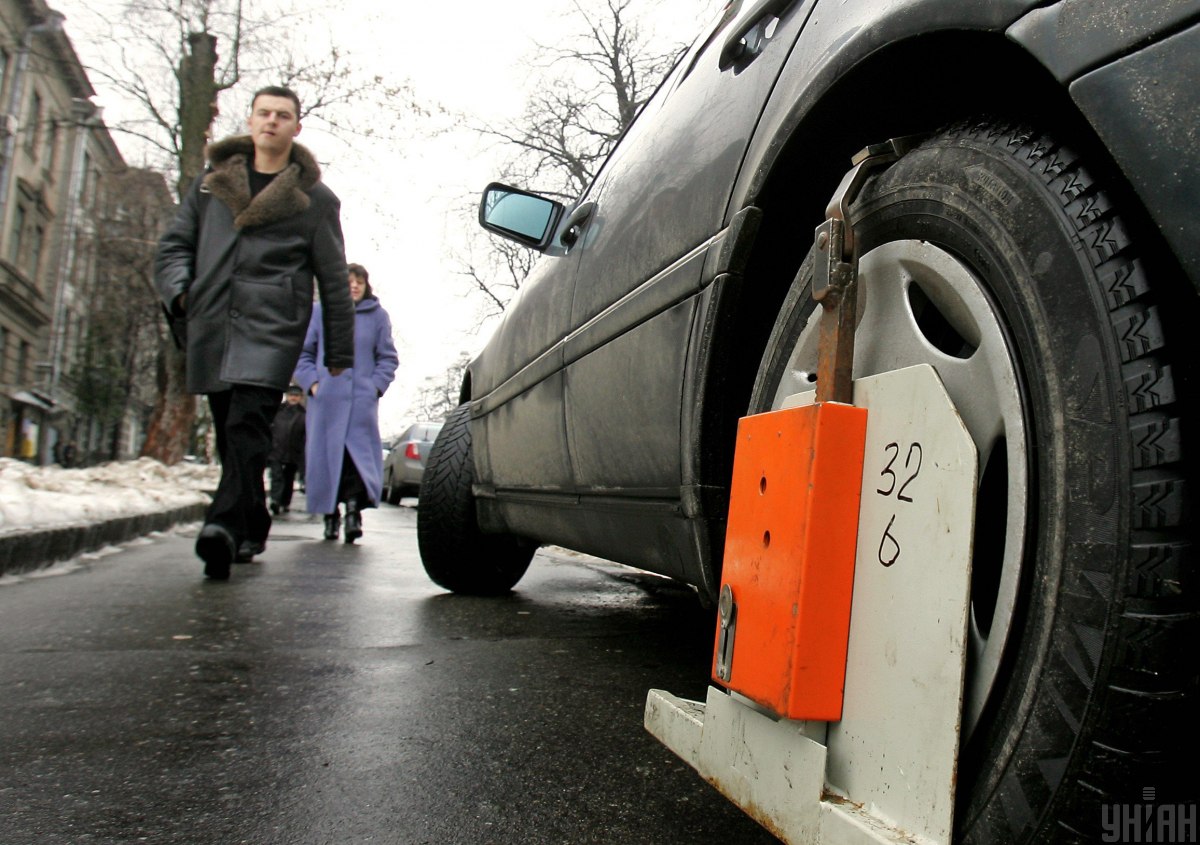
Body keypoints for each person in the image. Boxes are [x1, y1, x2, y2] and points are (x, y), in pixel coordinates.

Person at [154, 85, 355, 580]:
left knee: (247, 423)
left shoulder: (315, 200)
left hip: (273, 325)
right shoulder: (209, 184)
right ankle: (251, 520)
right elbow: (175, 245)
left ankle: (221, 527)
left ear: (296, 127)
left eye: (282, 115)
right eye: (263, 113)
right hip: (213, 318)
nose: (272, 121)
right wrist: (182, 294)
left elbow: (332, 277)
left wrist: (339, 350)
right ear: (250, 120)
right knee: (230, 430)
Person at [294, 263, 398, 543]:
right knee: (328, 460)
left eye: (359, 282)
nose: (354, 286)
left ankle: (353, 512)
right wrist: (314, 385)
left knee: (356, 461)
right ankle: (330, 517)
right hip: (325, 404)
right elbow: (302, 354)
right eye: (349, 281)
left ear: (366, 286)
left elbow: (387, 357)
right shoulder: (320, 312)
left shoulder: (378, 316)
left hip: (360, 405)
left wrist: (375, 386)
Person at [268, 384, 307, 514]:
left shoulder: (304, 415)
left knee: (288, 478)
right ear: (287, 396)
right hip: (276, 449)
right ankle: (275, 500)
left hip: (293, 451)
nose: (293, 398)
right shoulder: (277, 411)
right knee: (276, 476)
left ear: (300, 397)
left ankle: (285, 502)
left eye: (296, 396)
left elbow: (305, 436)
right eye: (291, 395)